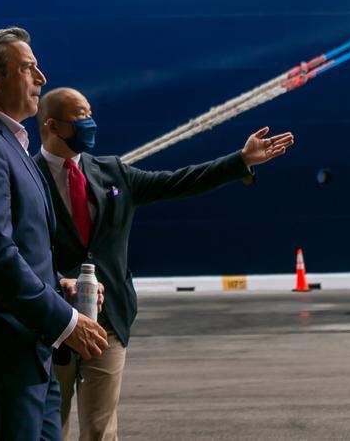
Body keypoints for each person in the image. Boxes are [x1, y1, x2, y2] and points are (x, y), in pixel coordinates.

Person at [35, 87, 294, 441]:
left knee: (100, 429)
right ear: (52, 125)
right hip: (53, 322)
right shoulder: (27, 176)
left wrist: (240, 161)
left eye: (90, 113)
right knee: (49, 426)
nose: (90, 122)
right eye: (80, 116)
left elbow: (176, 182)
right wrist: (57, 284)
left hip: (108, 321)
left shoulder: (112, 172)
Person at [0, 28, 109, 441]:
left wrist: (59, 286)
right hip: (1, 359)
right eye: (29, 68)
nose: (41, 78)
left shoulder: (7, 143)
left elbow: (20, 248)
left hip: (29, 355)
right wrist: (66, 321)